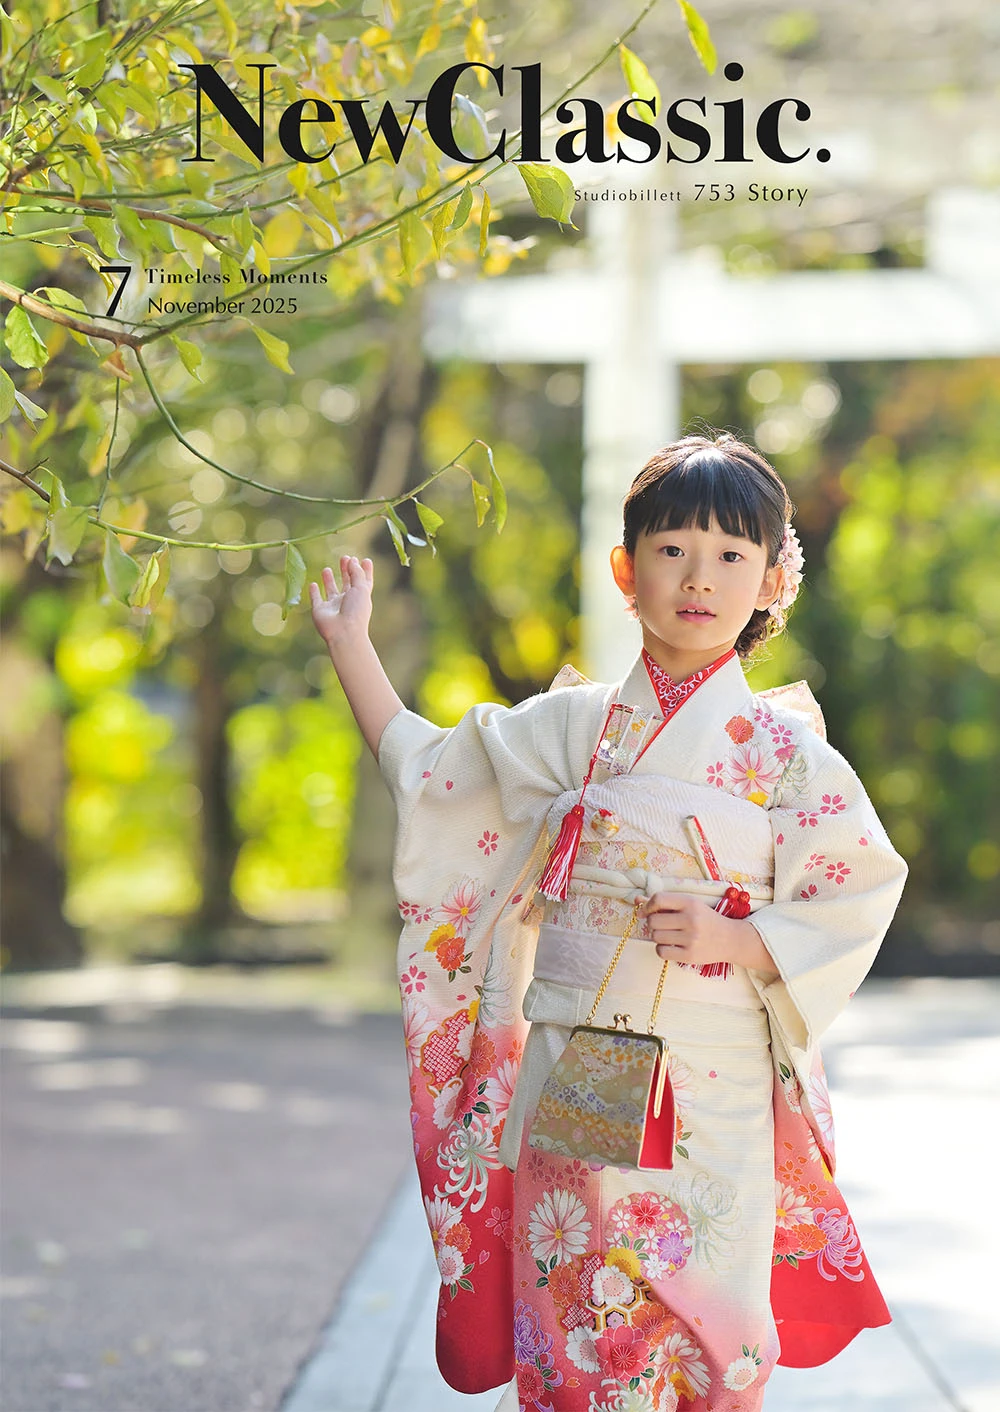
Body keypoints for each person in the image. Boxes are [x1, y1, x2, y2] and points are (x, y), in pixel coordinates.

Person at [309, 432, 908, 1412]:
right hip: (586, 1056)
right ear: (628, 571)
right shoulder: (573, 726)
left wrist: (740, 938)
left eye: (730, 554)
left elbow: (857, 886)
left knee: (717, 1329)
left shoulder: (784, 753)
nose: (699, 576)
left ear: (772, 579)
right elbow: (432, 774)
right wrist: (350, 644)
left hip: (716, 1075)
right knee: (583, 1303)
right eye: (672, 549)